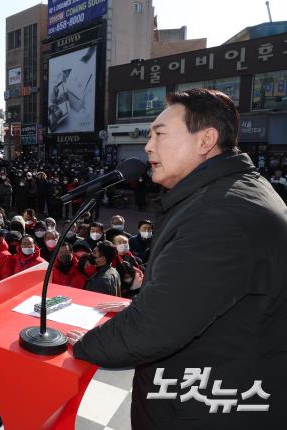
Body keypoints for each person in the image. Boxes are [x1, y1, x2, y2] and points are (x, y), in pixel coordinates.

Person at [68, 88, 287, 428]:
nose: (147, 146)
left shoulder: (223, 213)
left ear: (205, 140)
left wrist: (76, 345)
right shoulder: (224, 192)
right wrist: (146, 303)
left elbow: (153, 329)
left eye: (159, 134)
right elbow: (200, 295)